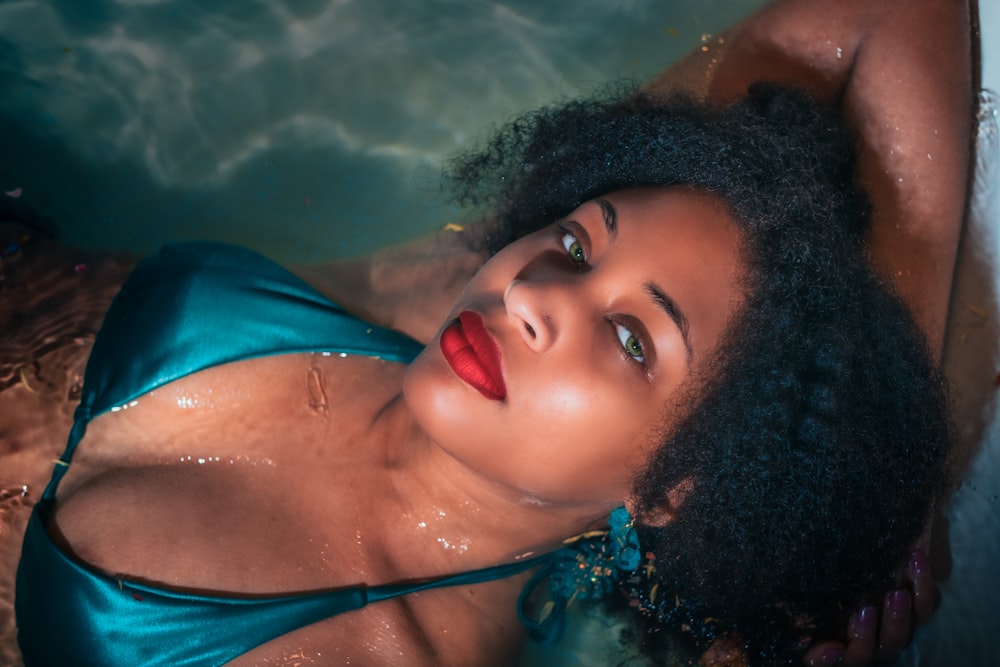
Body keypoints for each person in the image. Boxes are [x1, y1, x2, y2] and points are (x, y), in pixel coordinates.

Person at [11, 1, 972, 666]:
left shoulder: (373, 651)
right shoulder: (435, 293)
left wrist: (847, 486)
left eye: (633, 339)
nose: (537, 291)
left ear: (677, 487)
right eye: (576, 238)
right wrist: (894, 474)